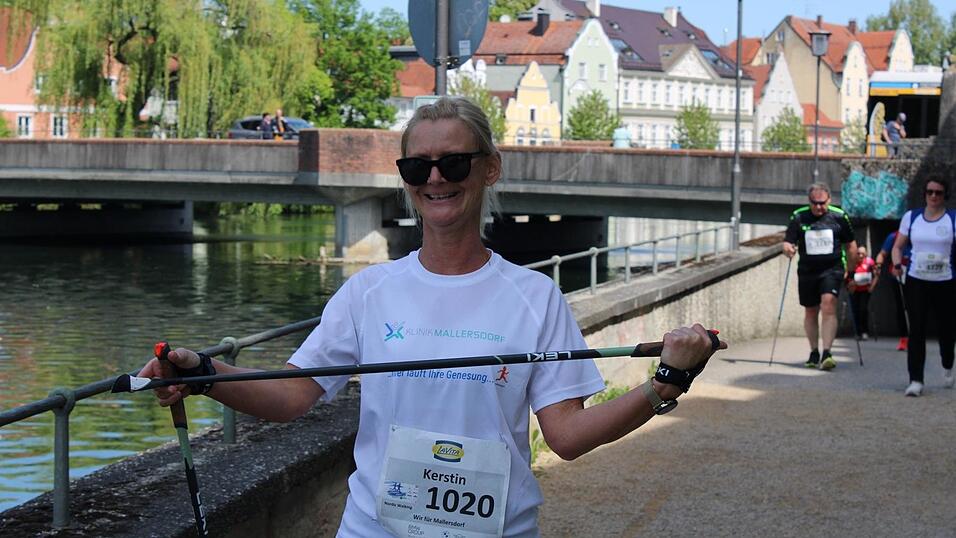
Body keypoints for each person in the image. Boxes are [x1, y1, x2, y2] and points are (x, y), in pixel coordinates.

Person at [138, 96, 726, 537]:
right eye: (418, 168)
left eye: (454, 163)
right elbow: (292, 395)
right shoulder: (369, 291)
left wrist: (665, 382)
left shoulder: (535, 296)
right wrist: (204, 373)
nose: (436, 179)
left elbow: (567, 438)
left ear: (489, 168)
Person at [891, 176, 956, 397]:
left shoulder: (952, 219)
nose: (933, 196)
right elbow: (897, 246)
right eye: (930, 192)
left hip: (945, 281)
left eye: (938, 192)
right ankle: (916, 380)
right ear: (924, 194)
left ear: (945, 195)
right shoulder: (912, 217)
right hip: (917, 279)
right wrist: (897, 264)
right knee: (916, 329)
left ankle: (948, 362)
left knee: (946, 329)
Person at [783, 183, 858, 370]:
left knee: (828, 305)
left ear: (829, 200)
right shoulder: (799, 216)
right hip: (807, 271)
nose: (818, 207)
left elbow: (851, 245)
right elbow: (787, 242)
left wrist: (851, 272)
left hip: (832, 269)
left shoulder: (839, 217)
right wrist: (788, 249)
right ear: (809, 201)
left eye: (822, 203)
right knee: (810, 311)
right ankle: (814, 351)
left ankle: (827, 352)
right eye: (814, 203)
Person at [875, 230, 910, 351]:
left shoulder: (920, 233)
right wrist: (878, 265)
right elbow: (882, 254)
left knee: (917, 307)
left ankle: (917, 336)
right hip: (899, 274)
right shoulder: (894, 236)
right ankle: (904, 338)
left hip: (918, 273)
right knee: (901, 307)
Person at [846, 245, 877, 340]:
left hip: (865, 290)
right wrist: (849, 284)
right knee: (855, 310)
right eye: (858, 253)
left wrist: (872, 286)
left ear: (865, 254)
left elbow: (876, 275)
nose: (860, 255)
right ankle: (858, 332)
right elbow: (847, 275)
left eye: (862, 253)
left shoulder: (870, 262)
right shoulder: (853, 263)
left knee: (863, 309)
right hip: (854, 290)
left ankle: (864, 331)